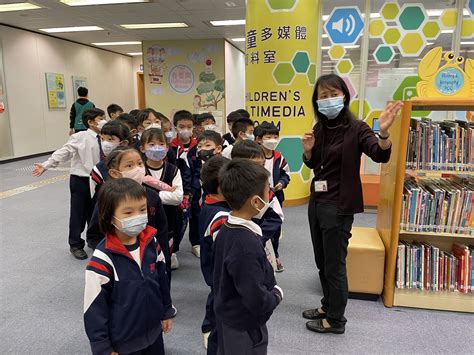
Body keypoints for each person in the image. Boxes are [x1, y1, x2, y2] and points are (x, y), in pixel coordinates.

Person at [301, 73, 403, 334]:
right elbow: (315, 165)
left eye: (333, 94)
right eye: (323, 96)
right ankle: (328, 304)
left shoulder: (357, 128)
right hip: (318, 202)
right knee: (322, 260)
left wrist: (384, 132)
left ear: (344, 96)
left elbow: (379, 153)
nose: (329, 99)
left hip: (339, 206)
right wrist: (309, 151)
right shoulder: (320, 128)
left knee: (335, 264)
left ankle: (336, 320)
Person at [84, 178, 173, 355]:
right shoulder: (103, 259)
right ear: (109, 216)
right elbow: (94, 307)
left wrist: (166, 310)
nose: (138, 217)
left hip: (154, 333)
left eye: (142, 210)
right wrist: (102, 346)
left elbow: (162, 280)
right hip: (123, 342)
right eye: (128, 213)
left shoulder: (151, 243)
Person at [213, 159, 283, 355]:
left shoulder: (227, 227)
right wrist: (276, 296)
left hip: (228, 314)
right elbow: (255, 298)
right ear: (255, 201)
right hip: (243, 323)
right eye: (267, 192)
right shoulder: (245, 244)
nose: (269, 196)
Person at [86, 147, 170, 285]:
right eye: (129, 165)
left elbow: (162, 231)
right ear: (114, 173)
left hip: (150, 255)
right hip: (119, 257)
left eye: (140, 163)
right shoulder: (107, 198)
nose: (137, 169)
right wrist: (110, 254)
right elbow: (95, 234)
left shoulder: (153, 197)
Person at [33, 108, 106, 260]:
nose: (103, 121)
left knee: (95, 211)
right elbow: (64, 152)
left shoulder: (105, 137)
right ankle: (75, 244)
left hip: (98, 180)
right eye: (100, 118)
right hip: (81, 179)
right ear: (90, 122)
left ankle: (93, 239)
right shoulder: (80, 137)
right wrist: (46, 165)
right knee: (78, 213)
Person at [231, 140, 285, 272]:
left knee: (261, 273)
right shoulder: (228, 186)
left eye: (262, 165)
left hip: (259, 241)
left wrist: (259, 237)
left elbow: (276, 216)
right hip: (234, 240)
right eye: (253, 166)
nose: (259, 170)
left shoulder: (264, 190)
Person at [198, 156, 231, 353]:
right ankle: (210, 329)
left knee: (216, 295)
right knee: (218, 298)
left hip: (212, 266)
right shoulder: (221, 216)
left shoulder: (211, 201)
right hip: (217, 269)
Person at [141, 128, 184, 270]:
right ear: (142, 148)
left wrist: (151, 195)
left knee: (166, 245)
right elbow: (136, 196)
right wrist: (166, 194)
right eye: (151, 144)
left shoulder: (173, 170)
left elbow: (178, 197)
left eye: (161, 144)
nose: (157, 148)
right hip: (145, 217)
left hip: (169, 216)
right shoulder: (139, 170)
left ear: (167, 147)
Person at [170, 110, 201, 259]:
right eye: (182, 126)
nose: (185, 130)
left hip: (195, 189)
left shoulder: (198, 145)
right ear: (175, 126)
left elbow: (199, 169)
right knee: (177, 220)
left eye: (189, 126)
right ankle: (173, 249)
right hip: (176, 189)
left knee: (196, 216)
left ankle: (196, 243)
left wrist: (194, 188)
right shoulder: (171, 146)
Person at [90, 120, 130, 202]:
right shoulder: (98, 169)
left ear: (123, 143)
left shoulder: (135, 164)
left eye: (110, 139)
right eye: (102, 139)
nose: (105, 143)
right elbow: (95, 197)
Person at [254, 122, 290, 206]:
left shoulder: (279, 157)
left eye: (275, 137)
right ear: (259, 139)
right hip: (258, 195)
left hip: (276, 196)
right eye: (269, 137)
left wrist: (282, 183)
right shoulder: (254, 157)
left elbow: (286, 174)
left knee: (276, 216)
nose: (273, 140)